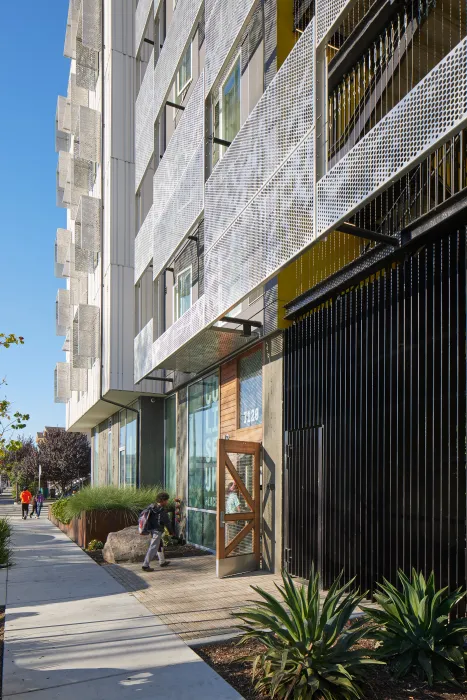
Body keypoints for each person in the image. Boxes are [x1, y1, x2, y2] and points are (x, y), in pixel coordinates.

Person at [142, 492, 174, 572]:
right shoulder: (162, 511)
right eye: (166, 500)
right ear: (162, 500)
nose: (167, 502)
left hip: (151, 529)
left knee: (159, 543)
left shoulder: (152, 506)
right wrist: (171, 532)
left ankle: (162, 561)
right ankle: (145, 565)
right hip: (157, 530)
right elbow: (167, 523)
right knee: (153, 547)